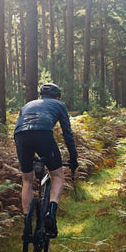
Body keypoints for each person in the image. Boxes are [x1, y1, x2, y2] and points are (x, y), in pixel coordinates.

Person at [13, 83, 79, 238]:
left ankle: (27, 223)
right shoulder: (59, 105)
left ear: (41, 96)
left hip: (20, 136)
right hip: (43, 133)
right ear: (57, 97)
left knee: (27, 180)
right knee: (57, 175)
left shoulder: (28, 104)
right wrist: (73, 158)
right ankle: (51, 213)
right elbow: (67, 134)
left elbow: (20, 126)